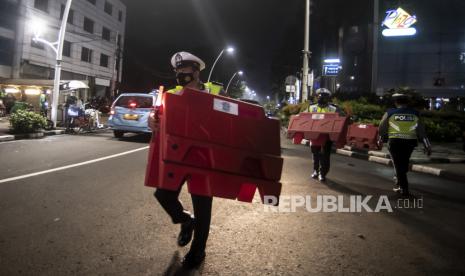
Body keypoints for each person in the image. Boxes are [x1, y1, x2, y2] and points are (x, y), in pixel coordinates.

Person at [149, 51, 212, 269]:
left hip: (206, 158)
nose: (179, 74)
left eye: (184, 70)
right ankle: (186, 220)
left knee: (203, 207)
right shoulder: (171, 94)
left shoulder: (216, 91)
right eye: (177, 71)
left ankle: (198, 252)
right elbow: (156, 116)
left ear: (195, 71)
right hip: (178, 155)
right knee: (163, 194)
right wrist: (152, 120)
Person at [378, 93, 431, 196]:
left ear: (396, 102)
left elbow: (382, 128)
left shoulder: (390, 113)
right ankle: (399, 180)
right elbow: (422, 131)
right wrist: (427, 145)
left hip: (395, 142)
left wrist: (379, 140)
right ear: (407, 103)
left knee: (398, 165)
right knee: (403, 163)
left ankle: (403, 188)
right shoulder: (415, 113)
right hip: (409, 143)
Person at [306, 88, 341, 182]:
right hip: (314, 135)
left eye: (324, 96)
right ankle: (315, 171)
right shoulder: (311, 107)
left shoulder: (333, 108)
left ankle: (322, 173)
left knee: (325, 156)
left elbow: (341, 119)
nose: (321, 98)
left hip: (327, 136)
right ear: (317, 97)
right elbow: (304, 117)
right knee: (315, 154)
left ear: (328, 98)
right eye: (319, 96)